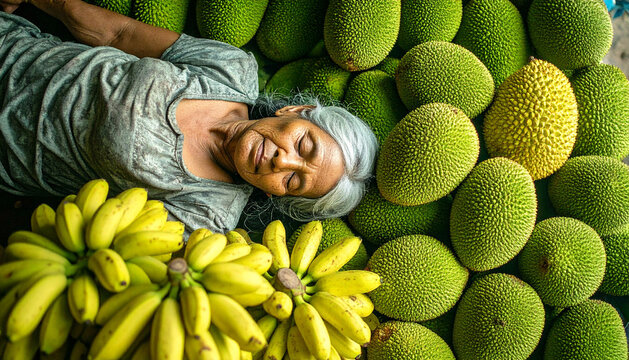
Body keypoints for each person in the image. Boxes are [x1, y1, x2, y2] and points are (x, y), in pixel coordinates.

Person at [0, 0, 378, 234]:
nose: (284, 160)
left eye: (294, 181)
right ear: (296, 111)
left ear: (273, 194)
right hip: (10, 45)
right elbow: (120, 33)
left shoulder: (207, 214)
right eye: (303, 145)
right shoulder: (232, 68)